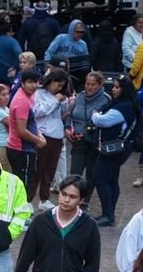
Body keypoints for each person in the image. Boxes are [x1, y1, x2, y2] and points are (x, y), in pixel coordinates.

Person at [89, 75, 140, 226]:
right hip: (116, 149)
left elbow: (103, 121)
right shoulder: (122, 104)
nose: (114, 89)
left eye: (117, 87)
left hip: (113, 150)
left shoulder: (124, 107)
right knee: (111, 180)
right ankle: (109, 213)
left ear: (125, 90)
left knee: (100, 178)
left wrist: (95, 114)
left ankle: (108, 214)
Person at [64, 72, 110, 206]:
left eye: (93, 84)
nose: (89, 87)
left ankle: (84, 202)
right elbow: (70, 115)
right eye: (87, 84)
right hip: (77, 142)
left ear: (100, 85)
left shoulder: (106, 100)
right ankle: (71, 200)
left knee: (91, 175)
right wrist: (67, 129)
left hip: (93, 143)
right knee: (74, 173)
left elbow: (107, 122)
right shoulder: (79, 97)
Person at [33, 69, 70, 206]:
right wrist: (55, 100)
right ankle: (29, 199)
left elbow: (63, 114)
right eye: (58, 84)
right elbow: (37, 112)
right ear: (51, 81)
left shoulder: (60, 96)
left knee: (50, 170)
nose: (59, 88)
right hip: (43, 135)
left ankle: (44, 199)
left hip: (57, 136)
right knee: (37, 170)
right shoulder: (38, 93)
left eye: (62, 86)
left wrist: (65, 102)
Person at [9, 69, 47, 197]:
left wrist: (39, 135)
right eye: (30, 82)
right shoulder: (22, 101)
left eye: (36, 82)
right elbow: (22, 131)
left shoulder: (28, 96)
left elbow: (32, 122)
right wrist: (39, 140)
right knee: (23, 186)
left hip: (25, 148)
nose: (34, 85)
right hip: (21, 149)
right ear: (22, 83)